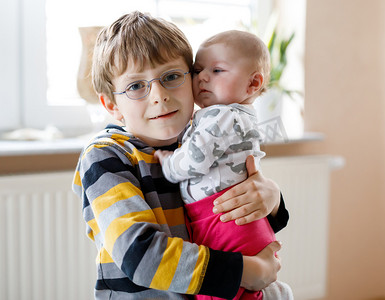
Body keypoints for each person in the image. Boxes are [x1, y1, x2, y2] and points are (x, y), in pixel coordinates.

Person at [72, 11, 289, 300]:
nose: (158, 95)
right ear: (112, 104)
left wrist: (272, 199)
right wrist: (244, 271)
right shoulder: (105, 156)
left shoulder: (198, 140)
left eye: (172, 76)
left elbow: (228, 221)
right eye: (136, 86)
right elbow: (140, 255)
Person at [154, 30, 293, 300]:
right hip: (223, 216)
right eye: (197, 70)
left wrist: (168, 164)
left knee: (220, 291)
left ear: (253, 84)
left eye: (217, 70)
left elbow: (193, 160)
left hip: (226, 219)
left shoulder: (224, 116)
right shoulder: (218, 116)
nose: (202, 77)